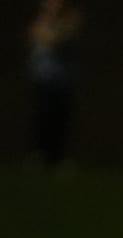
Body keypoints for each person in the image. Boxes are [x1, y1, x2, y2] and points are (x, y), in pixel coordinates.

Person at [26, 0, 82, 169]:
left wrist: (50, 31)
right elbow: (36, 35)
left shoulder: (70, 19)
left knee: (60, 118)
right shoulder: (39, 20)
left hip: (61, 79)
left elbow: (56, 38)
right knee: (41, 116)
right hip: (42, 78)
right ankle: (40, 154)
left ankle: (58, 157)